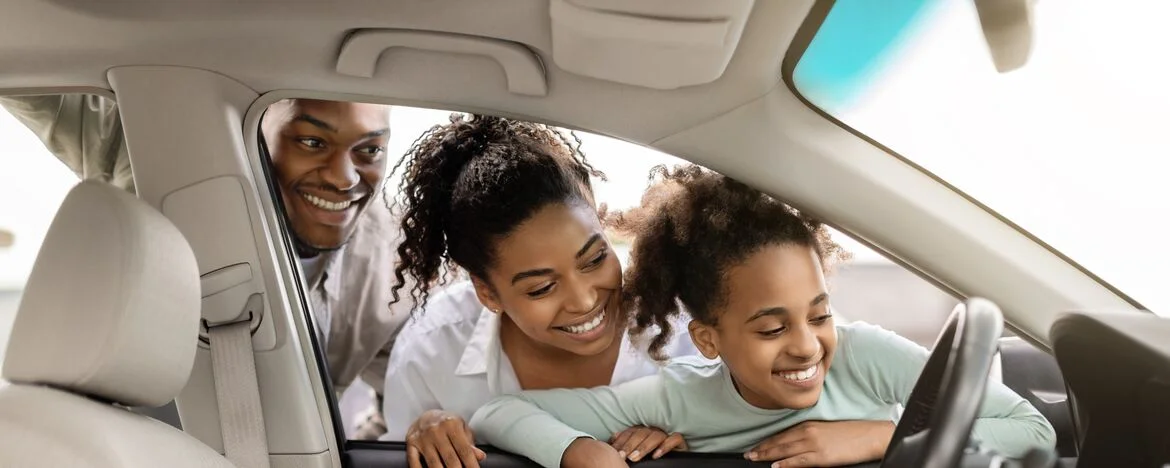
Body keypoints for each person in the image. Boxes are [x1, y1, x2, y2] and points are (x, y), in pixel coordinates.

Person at [469, 165, 1057, 468]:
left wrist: (877, 437)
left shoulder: (861, 356)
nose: (807, 346)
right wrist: (578, 451)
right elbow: (501, 410)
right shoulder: (677, 401)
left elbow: (1032, 430)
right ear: (708, 340)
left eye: (819, 315)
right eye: (772, 328)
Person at [0, 95, 405, 439]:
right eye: (312, 142)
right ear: (256, 133)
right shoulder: (155, 163)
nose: (344, 177)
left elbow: (403, 404)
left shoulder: (399, 261)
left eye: (369, 150)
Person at [381, 115, 701, 468]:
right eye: (542, 288)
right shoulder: (432, 350)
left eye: (595, 259)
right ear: (487, 293)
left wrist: (699, 443)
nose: (584, 300)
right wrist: (423, 434)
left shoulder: (686, 328)